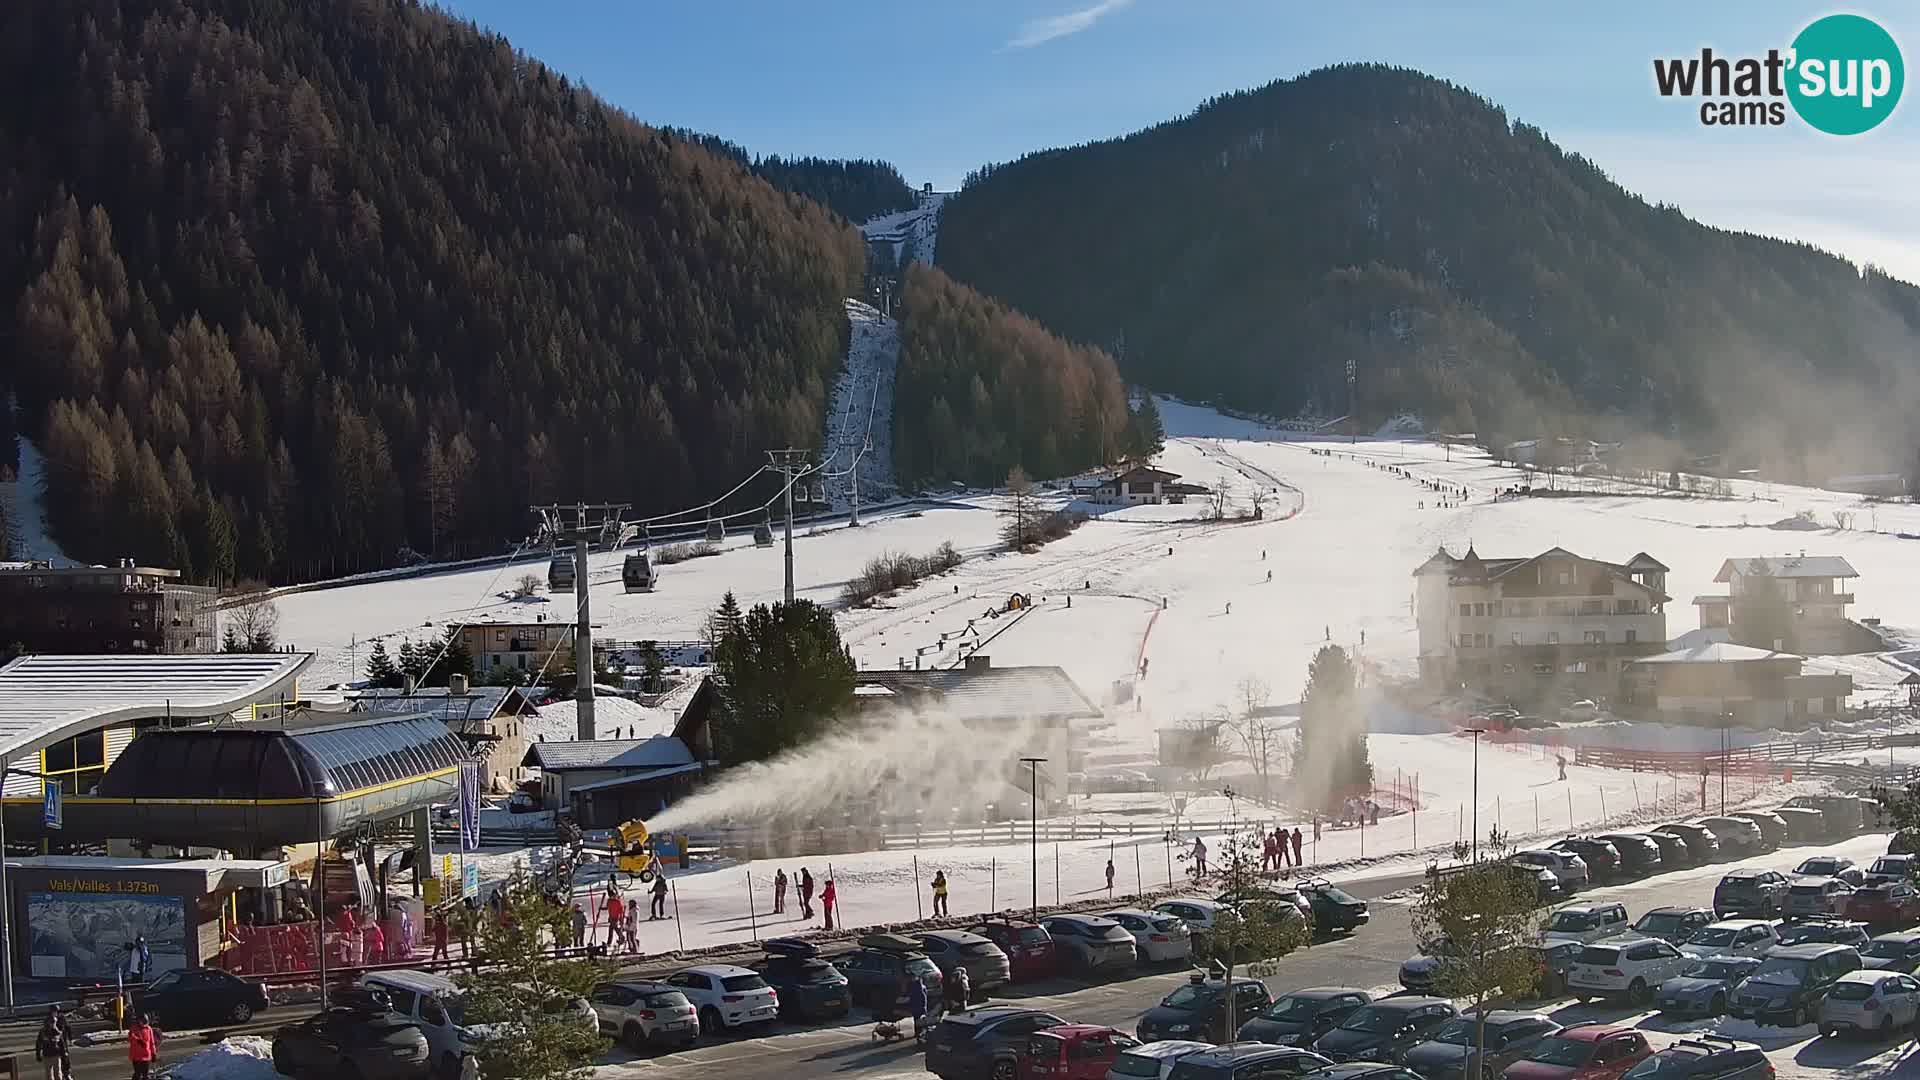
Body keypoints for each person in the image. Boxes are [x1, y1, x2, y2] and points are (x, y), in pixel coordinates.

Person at [36, 1005, 70, 1080]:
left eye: (53, 1023)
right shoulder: (43, 1032)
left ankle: (66, 1074)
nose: (52, 1025)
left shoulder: (57, 1032)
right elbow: (38, 1043)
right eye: (50, 1023)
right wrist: (38, 1054)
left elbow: (61, 1043)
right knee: (49, 1075)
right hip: (47, 1054)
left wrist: (64, 1052)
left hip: (55, 1054)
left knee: (57, 1074)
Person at [126, 1012, 159, 1080]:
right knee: (137, 1074)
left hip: (146, 1055)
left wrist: (154, 1054)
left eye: (145, 1022)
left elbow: (151, 1042)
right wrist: (138, 1040)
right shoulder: (134, 1028)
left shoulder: (148, 1029)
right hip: (136, 1056)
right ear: (139, 1021)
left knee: (145, 1075)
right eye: (142, 1022)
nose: (143, 1024)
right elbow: (130, 1038)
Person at [906, 970, 930, 1040]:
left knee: (917, 1020)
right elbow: (924, 997)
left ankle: (919, 1033)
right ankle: (920, 1033)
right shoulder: (920, 986)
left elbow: (922, 997)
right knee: (919, 1020)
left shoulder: (915, 986)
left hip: (917, 1006)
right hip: (919, 1006)